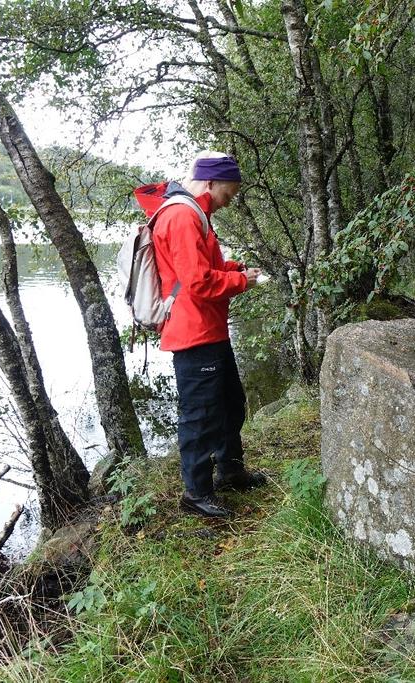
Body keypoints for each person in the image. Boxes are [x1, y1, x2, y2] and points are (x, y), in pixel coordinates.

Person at [133, 151, 268, 518]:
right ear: (211, 182)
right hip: (194, 334)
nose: (232, 199)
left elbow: (202, 267)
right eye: (230, 192)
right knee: (199, 415)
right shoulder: (181, 215)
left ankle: (230, 470)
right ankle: (196, 493)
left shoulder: (195, 213)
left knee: (229, 403)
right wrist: (242, 281)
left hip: (210, 329)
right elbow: (196, 282)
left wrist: (235, 267)